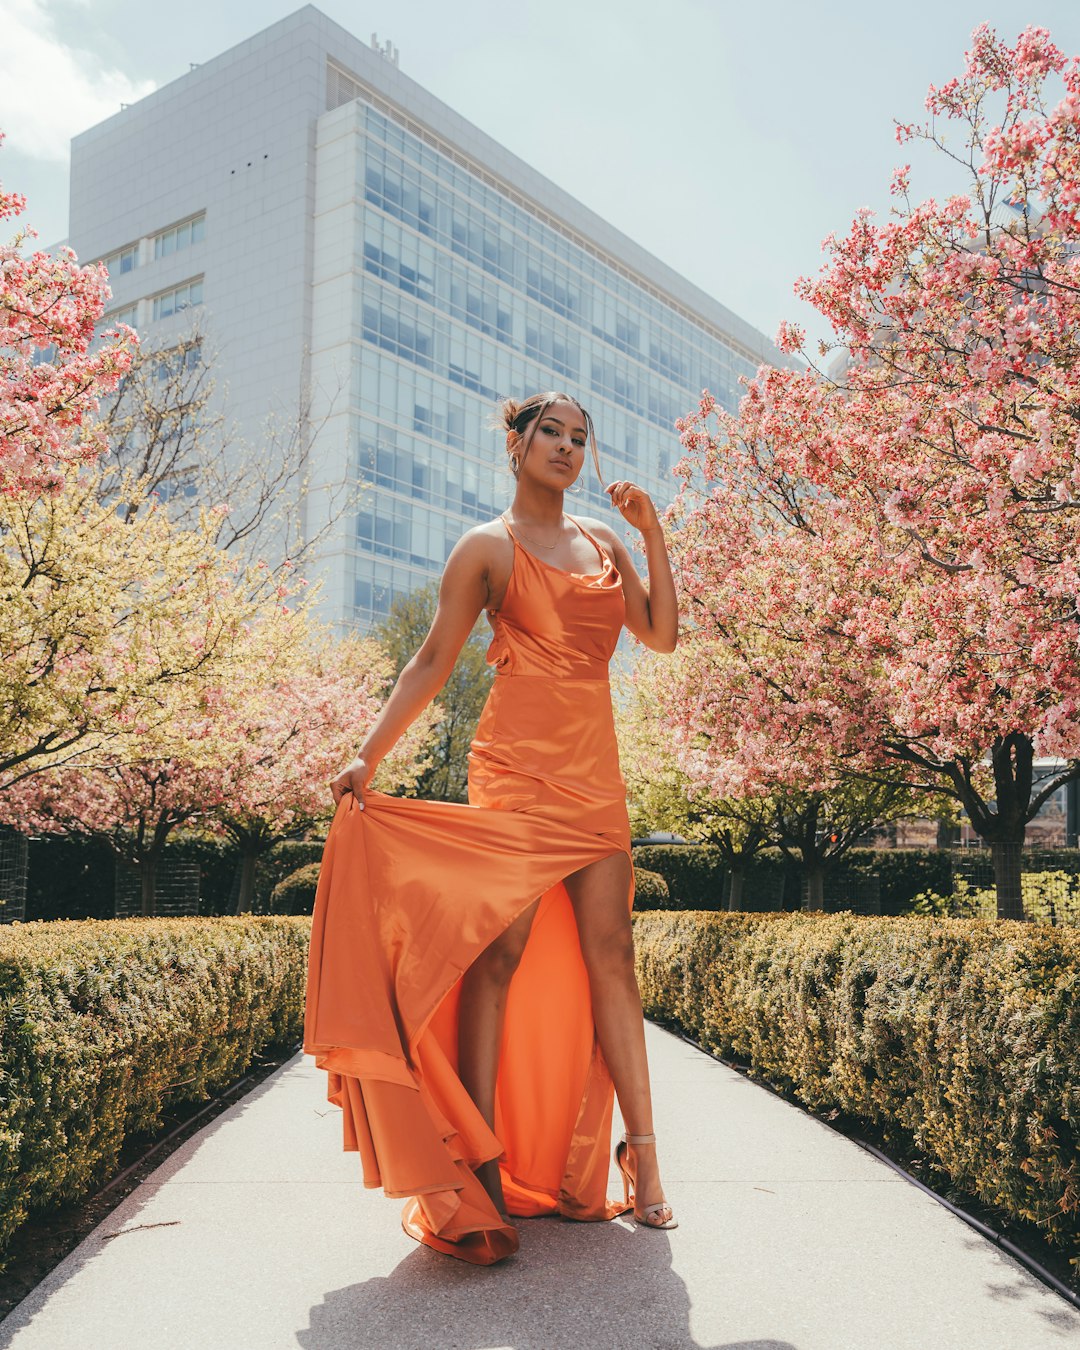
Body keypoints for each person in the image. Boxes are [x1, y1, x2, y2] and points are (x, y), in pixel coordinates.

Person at [303, 391, 679, 1265]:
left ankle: (646, 1162)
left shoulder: (605, 543)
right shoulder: (485, 547)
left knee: (611, 956)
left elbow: (659, 637)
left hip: (595, 777)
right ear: (516, 444)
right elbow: (431, 659)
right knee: (497, 956)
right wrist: (369, 757)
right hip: (512, 772)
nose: (568, 448)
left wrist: (654, 534)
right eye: (552, 432)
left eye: (581, 438)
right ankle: (482, 1165)